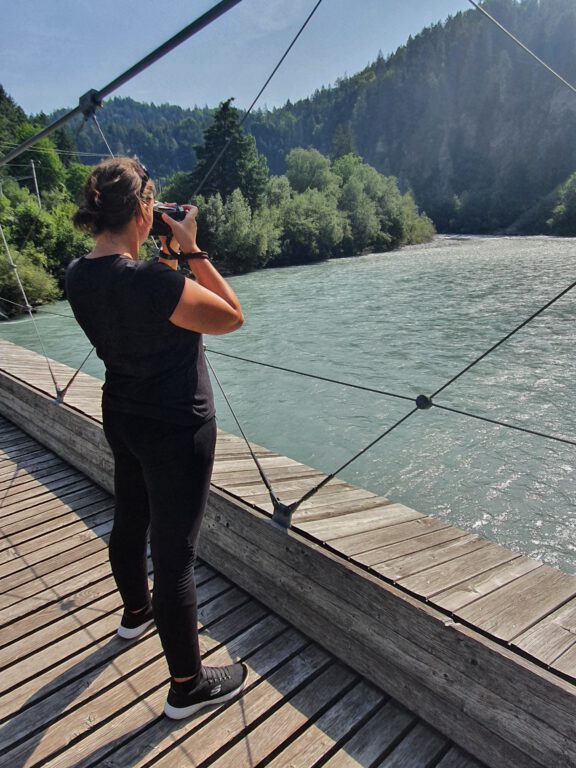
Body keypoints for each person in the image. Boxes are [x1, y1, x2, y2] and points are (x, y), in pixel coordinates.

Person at [66, 156, 247, 720]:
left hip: (123, 415)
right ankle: (187, 686)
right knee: (175, 559)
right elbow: (229, 316)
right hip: (177, 428)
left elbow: (143, 303)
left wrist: (167, 260)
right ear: (145, 209)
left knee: (129, 519)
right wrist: (190, 249)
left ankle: (135, 614)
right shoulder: (151, 281)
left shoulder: (76, 274)